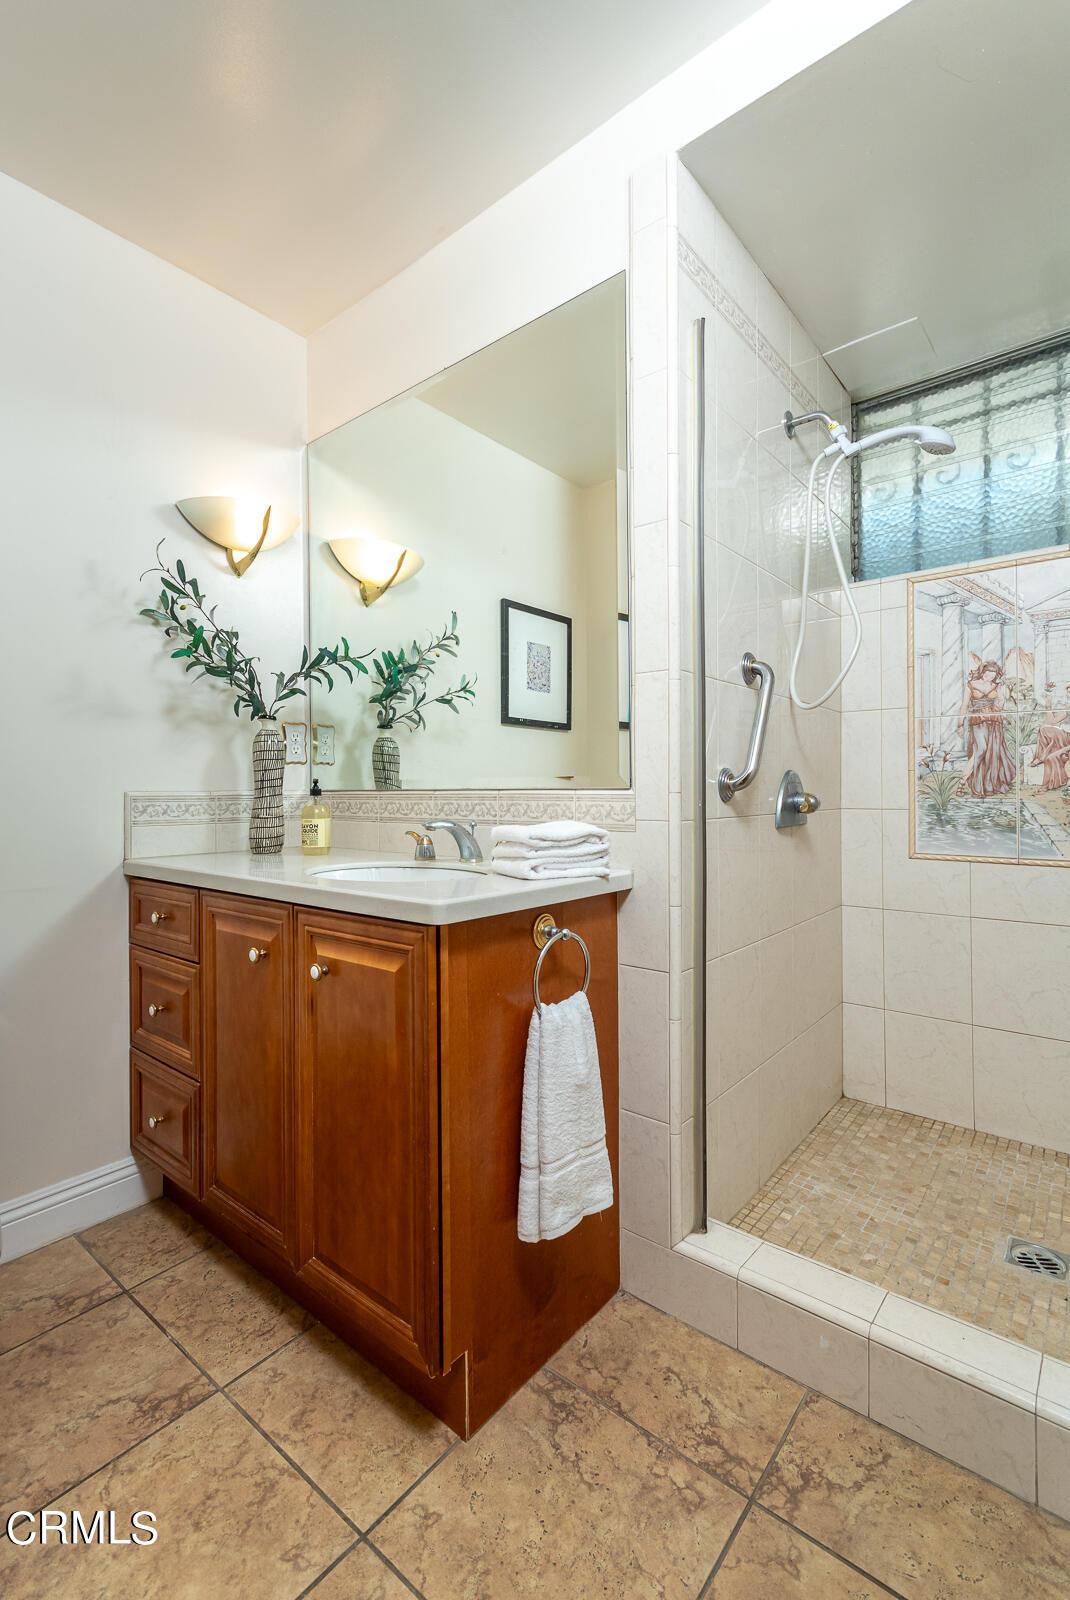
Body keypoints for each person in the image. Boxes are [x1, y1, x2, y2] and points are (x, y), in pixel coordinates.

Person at [955, 660, 1015, 798]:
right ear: (983, 672)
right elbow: (964, 706)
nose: (991, 676)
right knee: (980, 750)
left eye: (994, 674)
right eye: (988, 672)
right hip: (977, 721)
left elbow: (999, 705)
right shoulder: (971, 684)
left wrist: (1002, 698)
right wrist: (960, 724)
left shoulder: (996, 686)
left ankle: (988, 784)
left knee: (992, 752)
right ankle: (962, 782)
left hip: (994, 721)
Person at [1033, 683, 1070, 792]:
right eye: (1068, 693)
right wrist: (1048, 704)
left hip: (1067, 739)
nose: (1068, 695)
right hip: (1065, 737)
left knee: (1050, 758)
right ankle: (1040, 757)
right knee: (1044, 729)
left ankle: (1045, 787)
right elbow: (1052, 721)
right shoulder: (1068, 709)